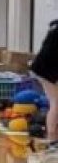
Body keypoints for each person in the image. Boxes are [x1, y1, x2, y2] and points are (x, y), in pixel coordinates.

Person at [32, 16, 58, 155]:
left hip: (43, 68)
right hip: (46, 70)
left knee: (55, 102)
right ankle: (53, 140)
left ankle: (53, 139)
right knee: (56, 103)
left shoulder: (54, 28)